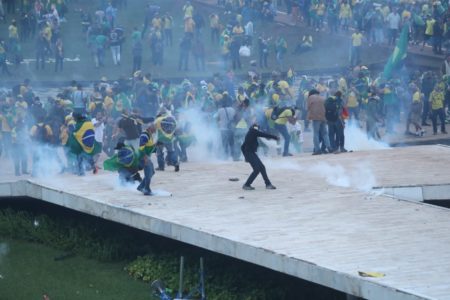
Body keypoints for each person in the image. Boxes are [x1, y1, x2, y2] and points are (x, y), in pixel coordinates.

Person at [241, 123, 278, 190]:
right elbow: (264, 135)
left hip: (251, 153)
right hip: (250, 153)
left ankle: (268, 184)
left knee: (262, 167)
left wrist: (245, 156)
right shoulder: (253, 132)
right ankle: (247, 184)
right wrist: (275, 137)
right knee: (257, 169)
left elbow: (242, 147)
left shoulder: (251, 132)